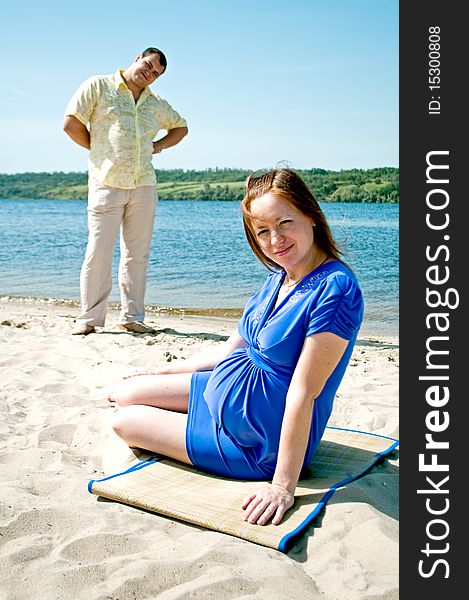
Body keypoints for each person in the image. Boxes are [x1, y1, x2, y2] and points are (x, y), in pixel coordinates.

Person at [108, 168, 364, 526]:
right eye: (263, 231)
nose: (275, 240)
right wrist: (160, 371)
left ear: (311, 215)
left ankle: (210, 434)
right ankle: (199, 417)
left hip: (261, 442)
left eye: (285, 222)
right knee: (126, 391)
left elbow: (304, 393)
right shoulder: (281, 275)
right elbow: (232, 350)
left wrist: (282, 486)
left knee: (125, 421)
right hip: (230, 399)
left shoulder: (336, 289)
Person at [63, 48, 188, 335]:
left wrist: (158, 146)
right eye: (148, 65)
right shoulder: (98, 85)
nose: (150, 73)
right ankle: (89, 319)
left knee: (137, 255)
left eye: (156, 73)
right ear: (137, 59)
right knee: (98, 252)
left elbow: (181, 127)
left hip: (143, 185)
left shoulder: (155, 103)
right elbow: (70, 123)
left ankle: (132, 316)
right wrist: (98, 149)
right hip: (106, 183)